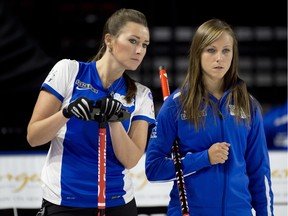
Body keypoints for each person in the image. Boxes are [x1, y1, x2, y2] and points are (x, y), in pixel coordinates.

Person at [27, 8, 155, 216]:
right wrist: (66, 113)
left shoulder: (141, 94)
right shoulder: (68, 71)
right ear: (109, 40)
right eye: (133, 41)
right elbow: (34, 137)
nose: (140, 50)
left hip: (117, 201)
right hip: (65, 200)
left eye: (144, 44)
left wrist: (114, 120)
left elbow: (131, 160)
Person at [145, 18, 274, 216]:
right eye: (211, 50)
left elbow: (260, 172)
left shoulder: (248, 105)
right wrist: (204, 158)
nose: (219, 58)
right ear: (198, 54)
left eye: (226, 51)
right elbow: (153, 168)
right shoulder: (175, 105)